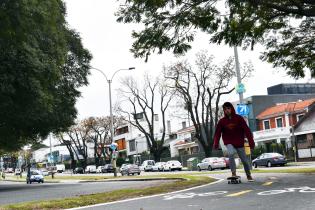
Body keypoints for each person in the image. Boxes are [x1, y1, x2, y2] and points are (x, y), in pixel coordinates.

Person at [213, 102, 255, 181]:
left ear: (231, 108)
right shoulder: (222, 121)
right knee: (230, 153)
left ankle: (248, 175)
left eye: (228, 108)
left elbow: (247, 131)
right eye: (225, 109)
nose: (227, 110)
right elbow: (217, 133)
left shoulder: (239, 118)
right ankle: (233, 172)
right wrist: (216, 143)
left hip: (239, 142)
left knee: (244, 161)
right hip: (229, 142)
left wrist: (251, 142)